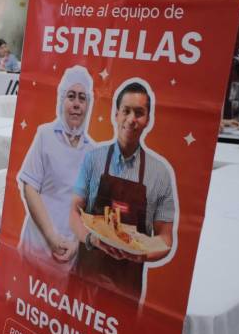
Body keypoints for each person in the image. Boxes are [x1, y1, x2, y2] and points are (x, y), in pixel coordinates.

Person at [68, 80, 176, 301]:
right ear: (116, 115)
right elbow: (73, 211)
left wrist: (142, 254)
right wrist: (92, 239)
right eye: (126, 111)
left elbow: (166, 238)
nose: (131, 120)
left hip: (127, 285)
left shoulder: (160, 173)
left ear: (148, 120)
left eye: (139, 113)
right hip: (85, 275)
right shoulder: (93, 159)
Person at [18, 66, 94, 273]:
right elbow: (30, 188)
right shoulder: (45, 135)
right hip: (38, 243)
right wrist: (51, 237)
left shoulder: (93, 151)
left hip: (72, 249)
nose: (77, 104)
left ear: (88, 105)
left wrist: (78, 244)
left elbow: (93, 207)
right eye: (71, 96)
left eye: (82, 98)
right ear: (61, 100)